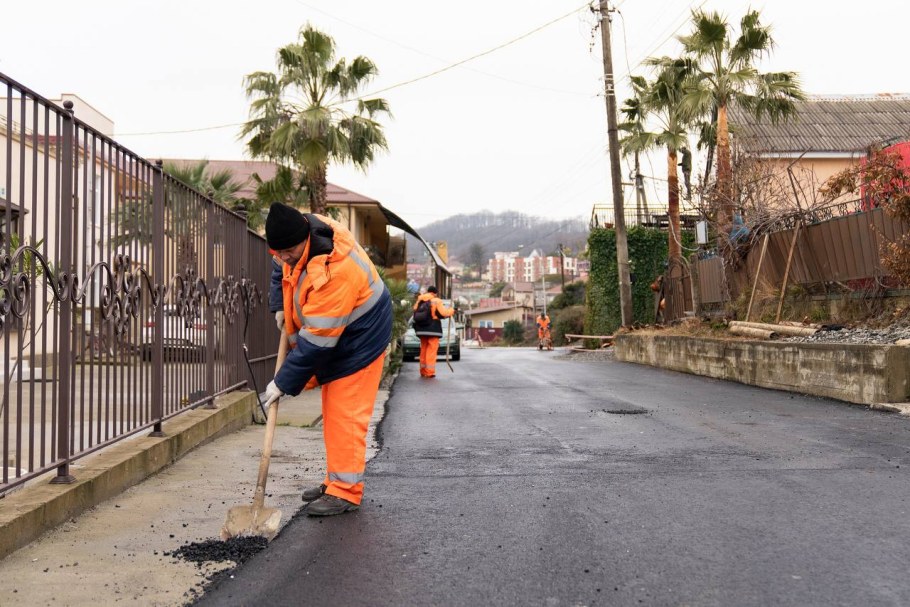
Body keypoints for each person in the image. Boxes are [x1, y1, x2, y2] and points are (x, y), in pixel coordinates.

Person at [263, 202, 392, 517]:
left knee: (344, 412)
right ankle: (335, 480)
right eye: (278, 252)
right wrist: (280, 304)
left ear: (305, 238)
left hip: (361, 336)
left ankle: (345, 491)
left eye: (289, 251)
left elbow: (317, 343)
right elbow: (281, 267)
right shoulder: (293, 240)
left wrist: (283, 382)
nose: (284, 257)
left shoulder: (336, 269)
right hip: (338, 332)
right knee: (332, 409)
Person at [412, 286, 454, 378]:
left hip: (421, 329)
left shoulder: (420, 300)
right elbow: (443, 313)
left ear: (428, 292)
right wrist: (451, 311)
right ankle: (429, 372)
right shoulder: (436, 300)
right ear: (435, 293)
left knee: (423, 350)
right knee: (431, 351)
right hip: (433, 329)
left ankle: (423, 371)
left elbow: (414, 310)